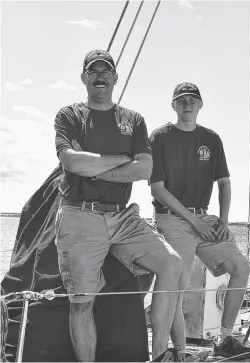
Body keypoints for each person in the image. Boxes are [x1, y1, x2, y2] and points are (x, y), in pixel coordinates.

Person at [54, 50, 184, 362]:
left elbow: (144, 169)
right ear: (85, 77)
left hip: (123, 218)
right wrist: (123, 162)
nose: (100, 76)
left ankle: (161, 353)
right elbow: (71, 161)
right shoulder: (69, 116)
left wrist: (94, 166)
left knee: (172, 264)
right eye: (93, 71)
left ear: (115, 77)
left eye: (106, 71)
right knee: (81, 302)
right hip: (79, 215)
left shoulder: (134, 120)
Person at [148, 82, 250, 360]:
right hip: (172, 218)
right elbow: (158, 189)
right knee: (176, 287)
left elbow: (224, 182)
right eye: (181, 100)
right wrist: (193, 221)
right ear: (173, 105)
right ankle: (179, 353)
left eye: (192, 100)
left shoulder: (211, 139)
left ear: (200, 105)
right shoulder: (160, 137)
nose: (187, 105)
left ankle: (226, 337)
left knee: (241, 268)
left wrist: (224, 220)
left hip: (204, 219)